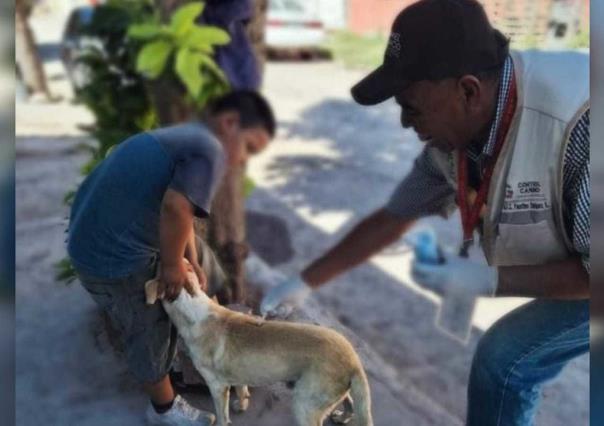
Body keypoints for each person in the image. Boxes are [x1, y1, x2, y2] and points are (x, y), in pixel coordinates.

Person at [260, 1, 589, 425]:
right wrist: (303, 282)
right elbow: (393, 216)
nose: (402, 123)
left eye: (411, 107)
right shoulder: (455, 139)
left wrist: (488, 280)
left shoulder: (579, 124)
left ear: (468, 91)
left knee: (505, 361)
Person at [68, 90, 275, 426]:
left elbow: (182, 211)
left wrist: (188, 258)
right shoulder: (210, 149)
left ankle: (209, 345)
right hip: (113, 262)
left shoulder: (186, 136)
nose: (242, 160)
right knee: (149, 326)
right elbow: (175, 208)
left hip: (100, 237)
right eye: (249, 147)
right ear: (230, 123)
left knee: (202, 261)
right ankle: (163, 409)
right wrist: (171, 267)